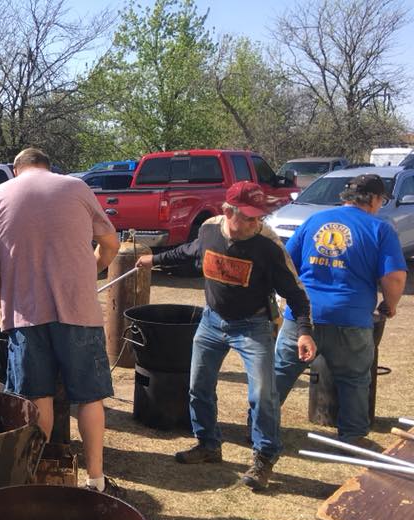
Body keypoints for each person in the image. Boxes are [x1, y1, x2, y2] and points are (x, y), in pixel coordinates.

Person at [135, 181, 316, 490]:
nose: (253, 223)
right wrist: (155, 259)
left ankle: (264, 458)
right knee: (198, 386)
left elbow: (297, 295)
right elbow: (188, 251)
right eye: (246, 216)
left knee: (262, 395)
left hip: (253, 326)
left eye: (257, 217)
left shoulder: (268, 247)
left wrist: (304, 333)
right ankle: (207, 444)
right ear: (227, 211)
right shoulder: (208, 230)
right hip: (212, 321)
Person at [0, 148, 120, 492]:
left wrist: (5, 299)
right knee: (89, 397)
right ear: (48, 166)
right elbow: (110, 244)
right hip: (79, 310)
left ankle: (38, 476)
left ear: (16, 169)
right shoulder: (77, 187)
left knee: (38, 398)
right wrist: (89, 273)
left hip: (28, 314)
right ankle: (95, 479)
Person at [274, 173, 407, 444]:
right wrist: (389, 305)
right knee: (354, 381)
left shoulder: (314, 221)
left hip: (303, 318)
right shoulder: (379, 229)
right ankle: (352, 439)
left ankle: (259, 425)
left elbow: (286, 265)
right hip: (351, 318)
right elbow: (394, 277)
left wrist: (284, 299)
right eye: (381, 199)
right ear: (372, 199)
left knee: (279, 374)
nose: (381, 204)